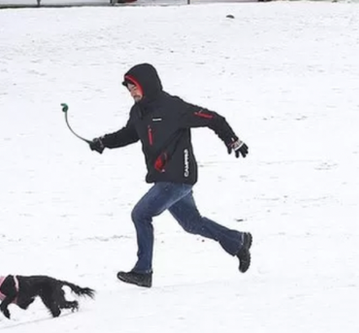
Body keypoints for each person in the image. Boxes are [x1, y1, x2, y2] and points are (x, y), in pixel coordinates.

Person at [88, 63, 252, 287]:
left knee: (140, 215)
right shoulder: (138, 112)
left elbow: (214, 118)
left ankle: (143, 271)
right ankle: (238, 240)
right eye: (128, 89)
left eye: (135, 87)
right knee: (192, 223)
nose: (132, 92)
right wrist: (104, 142)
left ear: (147, 84)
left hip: (177, 176)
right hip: (164, 177)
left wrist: (232, 139)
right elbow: (129, 134)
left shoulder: (173, 107)